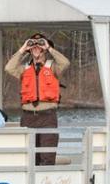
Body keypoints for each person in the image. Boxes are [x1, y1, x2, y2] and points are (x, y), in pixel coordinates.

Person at [5, 32, 71, 164]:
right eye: (33, 46)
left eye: (39, 45)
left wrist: (49, 48)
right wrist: (22, 49)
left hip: (48, 117)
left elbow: (65, 63)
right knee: (29, 158)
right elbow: (9, 68)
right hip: (28, 117)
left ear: (44, 49)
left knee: (47, 156)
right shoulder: (24, 69)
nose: (36, 48)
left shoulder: (52, 67)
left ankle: (45, 183)